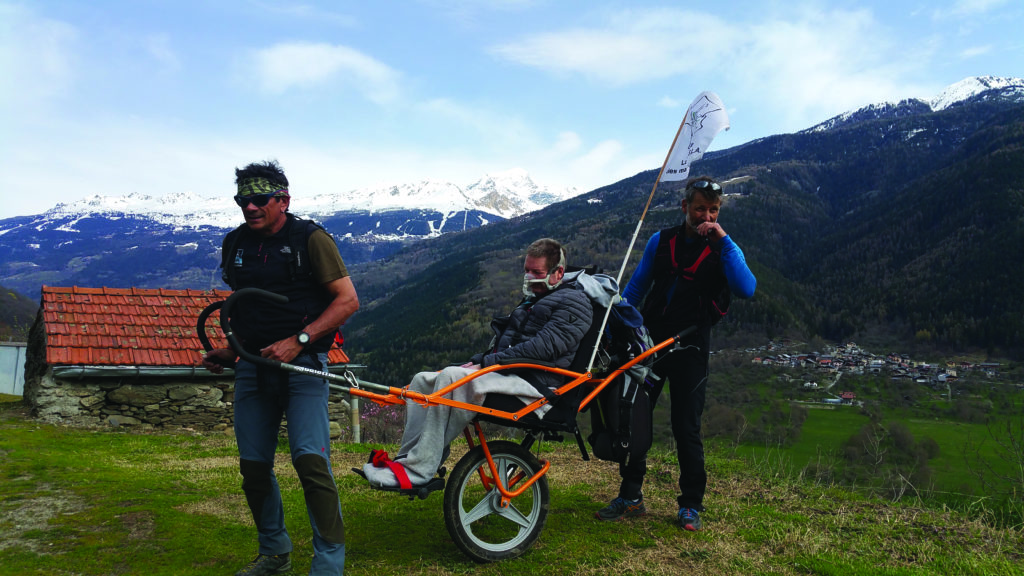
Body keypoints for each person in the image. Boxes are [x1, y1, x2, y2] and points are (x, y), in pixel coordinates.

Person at [202, 160, 359, 576]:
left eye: (259, 199)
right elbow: (246, 306)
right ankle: (274, 553)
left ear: (283, 200)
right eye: (242, 200)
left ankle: (329, 565)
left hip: (304, 365)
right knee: (254, 468)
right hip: (253, 366)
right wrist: (232, 351)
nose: (250, 207)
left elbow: (347, 301)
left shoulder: (311, 239)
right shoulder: (235, 243)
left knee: (311, 462)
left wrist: (299, 341)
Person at [360, 238, 592, 488]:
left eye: (537, 272)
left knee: (450, 377)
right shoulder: (537, 299)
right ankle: (406, 460)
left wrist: (486, 363)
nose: (529, 278)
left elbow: (542, 349)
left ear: (558, 272)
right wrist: (478, 361)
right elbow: (509, 346)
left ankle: (419, 470)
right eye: (527, 270)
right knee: (422, 381)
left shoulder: (575, 303)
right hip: (511, 372)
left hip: (537, 384)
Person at [596, 176, 756, 531]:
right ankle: (630, 496)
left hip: (691, 347)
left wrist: (724, 240)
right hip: (650, 344)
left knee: (686, 427)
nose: (706, 217)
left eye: (713, 210)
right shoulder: (661, 240)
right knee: (635, 419)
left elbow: (746, 288)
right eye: (700, 209)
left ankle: (690, 505)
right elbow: (637, 287)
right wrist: (616, 326)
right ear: (685, 207)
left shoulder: (725, 249)